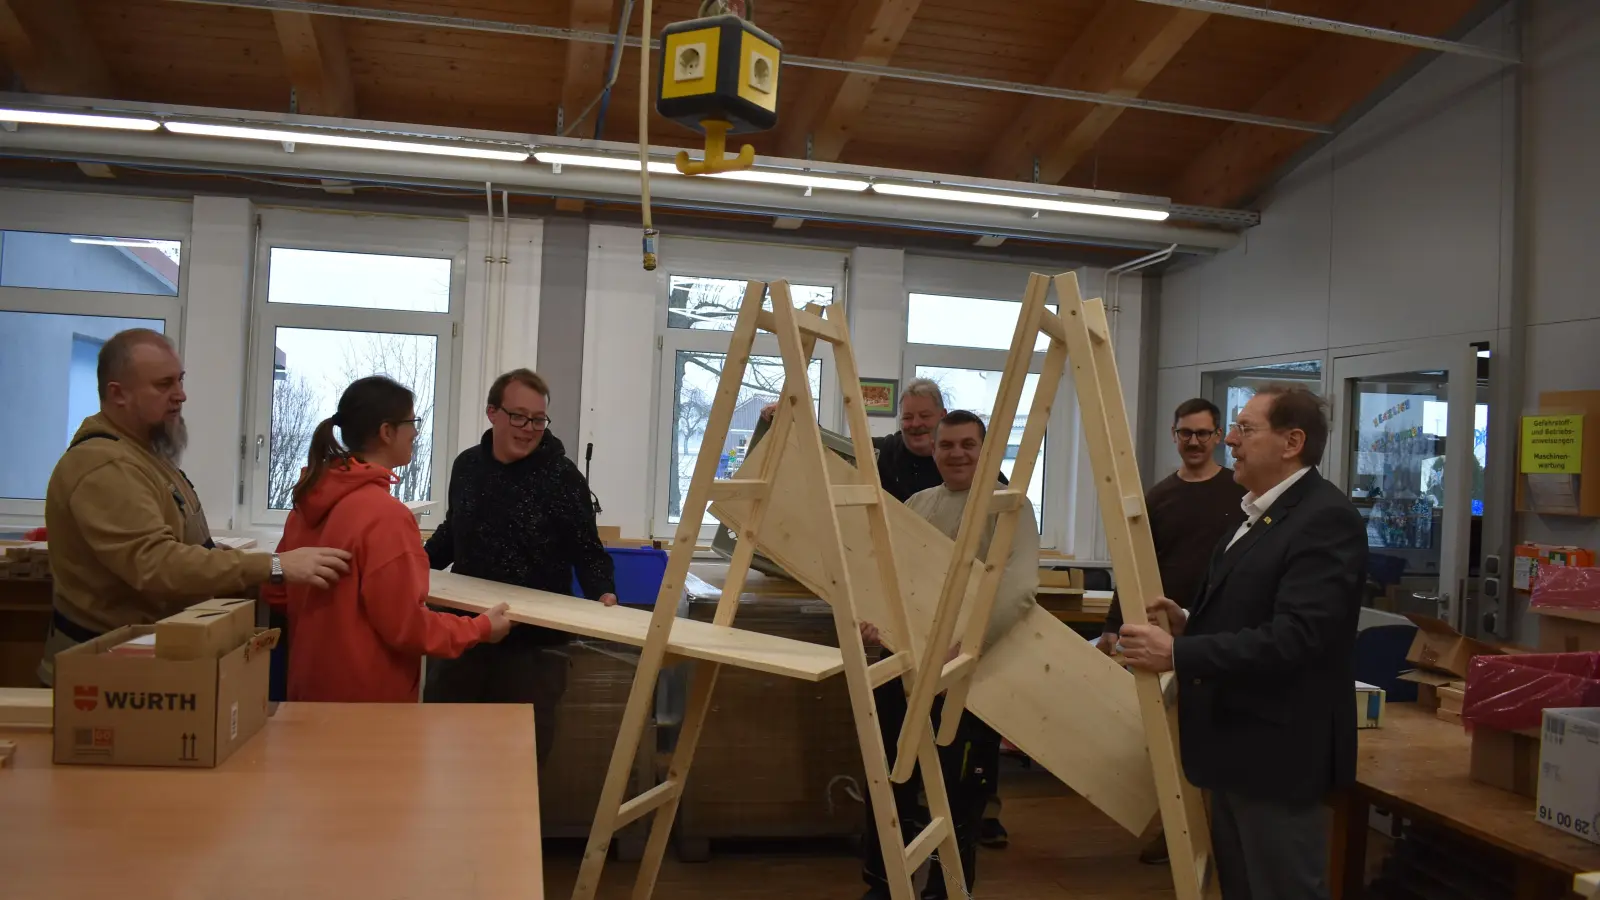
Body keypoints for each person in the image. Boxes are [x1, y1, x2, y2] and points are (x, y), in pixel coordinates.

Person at [1117, 385, 1365, 900]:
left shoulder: (1325, 519)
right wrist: (1187, 622)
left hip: (1277, 753)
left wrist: (1178, 654)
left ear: (1292, 441)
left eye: (1245, 429)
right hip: (1236, 745)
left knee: (1281, 888)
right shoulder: (1256, 511)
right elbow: (1254, 609)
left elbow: (1298, 637)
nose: (1229, 440)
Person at [765, 378, 1012, 845]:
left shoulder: (998, 497)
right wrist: (792, 424)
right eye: (910, 418)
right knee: (898, 759)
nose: (918, 425)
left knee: (963, 767)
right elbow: (840, 463)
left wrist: (967, 645)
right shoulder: (899, 474)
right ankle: (891, 859)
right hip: (908, 644)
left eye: (965, 444)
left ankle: (964, 841)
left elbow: (1007, 588)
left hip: (964, 653)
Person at [39, 328, 350, 686]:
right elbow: (157, 564)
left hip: (143, 662)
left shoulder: (143, 454)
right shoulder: (106, 467)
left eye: (180, 380)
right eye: (163, 385)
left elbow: (181, 542)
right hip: (106, 674)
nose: (180, 395)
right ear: (117, 394)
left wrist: (220, 557)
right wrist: (274, 566)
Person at [859, 410, 1040, 900]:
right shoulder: (917, 503)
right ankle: (883, 884)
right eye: (947, 445)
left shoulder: (1010, 508)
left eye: (968, 445)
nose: (957, 454)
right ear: (932, 450)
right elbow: (889, 579)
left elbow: (1018, 590)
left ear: (985, 451)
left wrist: (963, 652)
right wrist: (872, 629)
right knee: (890, 783)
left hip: (966, 679)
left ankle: (946, 890)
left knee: (959, 798)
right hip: (906, 668)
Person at [266, 376, 512, 703]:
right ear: (386, 432)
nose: (416, 432)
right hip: (368, 708)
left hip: (307, 693)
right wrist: (480, 629)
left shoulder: (308, 502)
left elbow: (277, 592)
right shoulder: (386, 517)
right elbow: (408, 629)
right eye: (412, 422)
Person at [423, 369, 617, 765]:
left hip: (533, 649)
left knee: (517, 764)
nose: (529, 429)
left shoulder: (564, 479)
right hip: (464, 636)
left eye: (538, 420)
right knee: (445, 755)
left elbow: (587, 549)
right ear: (492, 413)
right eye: (519, 416)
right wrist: (415, 567)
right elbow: (453, 531)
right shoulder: (468, 467)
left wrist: (604, 590)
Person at [1098, 397, 1246, 865]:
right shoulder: (1158, 497)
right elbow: (1137, 567)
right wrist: (1111, 627)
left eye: (1204, 433)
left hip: (1224, 634)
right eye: (1186, 433)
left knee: (1224, 738)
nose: (1195, 442)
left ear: (1219, 435)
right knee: (1175, 740)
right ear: (1173, 435)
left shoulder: (1239, 492)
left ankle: (1224, 835)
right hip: (1169, 638)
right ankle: (1177, 831)